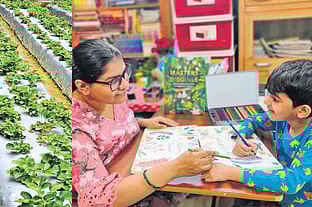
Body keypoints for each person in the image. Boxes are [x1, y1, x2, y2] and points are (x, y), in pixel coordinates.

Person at [72, 39, 216, 207]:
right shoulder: (77, 130)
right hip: (122, 189)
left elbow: (110, 126)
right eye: (114, 80)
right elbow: (97, 199)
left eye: (125, 72)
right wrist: (173, 169)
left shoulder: (110, 95)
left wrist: (141, 122)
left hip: (137, 160)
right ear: (83, 87)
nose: (125, 84)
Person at [202, 59, 312, 207]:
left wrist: (231, 173)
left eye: (275, 99)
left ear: (303, 111)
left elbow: (290, 182)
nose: (266, 101)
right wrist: (240, 139)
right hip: (276, 194)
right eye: (268, 94)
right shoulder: (283, 118)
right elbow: (251, 121)